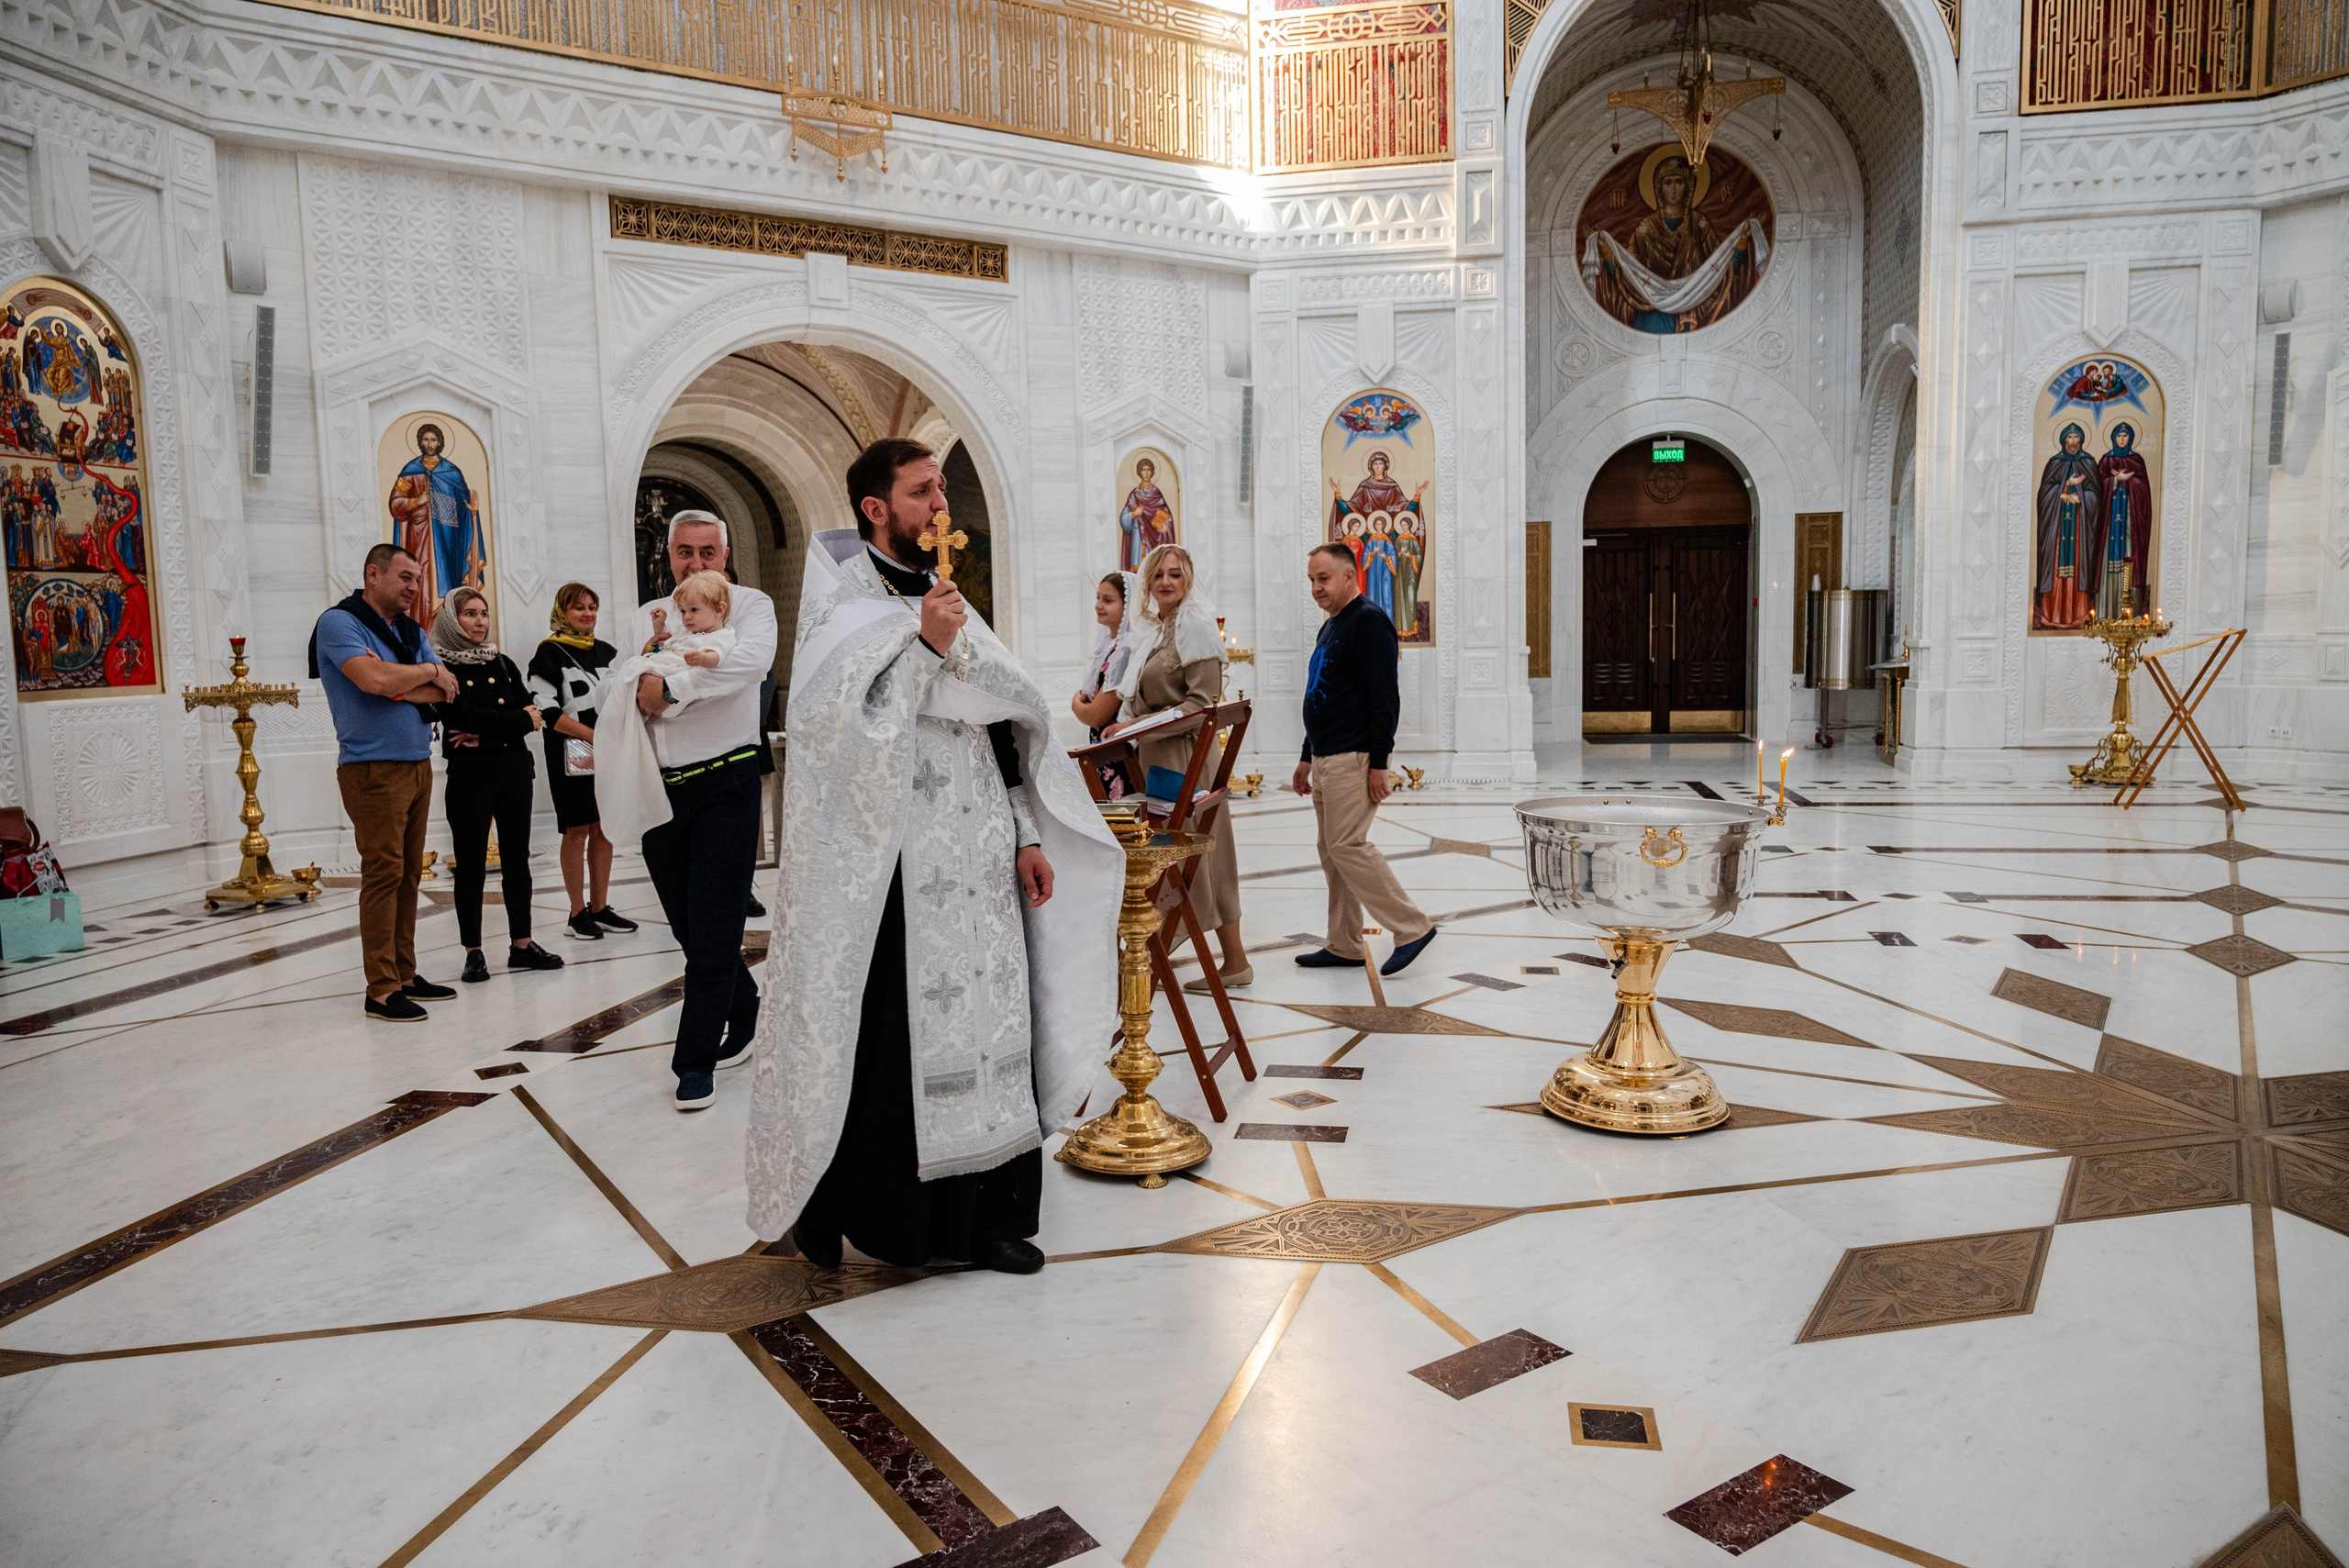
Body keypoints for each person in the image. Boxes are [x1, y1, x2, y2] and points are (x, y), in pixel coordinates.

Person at [747, 437, 1121, 1275]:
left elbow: (1004, 725)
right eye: (921, 493)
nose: (939, 506)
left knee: (996, 1022)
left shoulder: (952, 600)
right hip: (896, 867)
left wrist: (1026, 830)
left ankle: (985, 1220)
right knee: (892, 1040)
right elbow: (835, 740)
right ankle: (878, 1216)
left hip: (980, 852)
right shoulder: (843, 614)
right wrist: (919, 647)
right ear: (876, 509)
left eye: (942, 489)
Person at [621, 511, 775, 1110]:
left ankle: (693, 1062)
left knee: (713, 930)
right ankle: (748, 1009)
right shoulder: (652, 614)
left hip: (725, 784)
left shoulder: (750, 605)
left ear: (725, 552)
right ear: (670, 555)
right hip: (663, 787)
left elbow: (745, 668)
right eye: (685, 551)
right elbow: (628, 675)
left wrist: (671, 690)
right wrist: (645, 684)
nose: (697, 562)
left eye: (707, 550)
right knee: (690, 927)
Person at [308, 542, 460, 1022]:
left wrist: (414, 680)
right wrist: (424, 673)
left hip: (417, 762)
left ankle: (405, 973)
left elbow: (443, 689)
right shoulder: (340, 622)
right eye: (405, 578)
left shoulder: (410, 629)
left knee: (410, 873)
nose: (414, 588)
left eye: (417, 579)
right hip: (372, 768)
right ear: (373, 574)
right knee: (383, 875)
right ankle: (381, 989)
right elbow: (371, 679)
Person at [1100, 543, 1248, 991]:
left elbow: (1202, 705)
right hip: (1162, 755)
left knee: (1194, 856)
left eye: (1176, 575)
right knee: (1185, 857)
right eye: (1158, 575)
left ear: (1188, 581)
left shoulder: (1196, 625)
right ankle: (1227, 961)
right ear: (1147, 583)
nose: (1166, 582)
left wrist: (1134, 727)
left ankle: (1167, 961)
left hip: (1187, 758)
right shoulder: (1162, 628)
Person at [1291, 542, 1435, 976]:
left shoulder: (1369, 622)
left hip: (1352, 756)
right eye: (1312, 580)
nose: (1316, 587)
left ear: (1350, 576)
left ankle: (1412, 927)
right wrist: (1305, 757)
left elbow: (1384, 697)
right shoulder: (1332, 625)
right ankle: (1344, 943)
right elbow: (1321, 693)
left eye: (1324, 578)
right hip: (1325, 756)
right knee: (1332, 851)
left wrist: (1379, 762)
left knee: (1346, 845)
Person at [429, 586, 564, 984]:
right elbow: (459, 721)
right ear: (453, 621)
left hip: (513, 772)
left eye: (484, 613)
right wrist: (511, 724)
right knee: (470, 866)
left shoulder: (503, 662)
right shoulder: (442, 668)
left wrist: (486, 733)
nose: (480, 621)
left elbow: (534, 715)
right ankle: (474, 951)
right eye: (470, 614)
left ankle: (522, 944)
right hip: (471, 778)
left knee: (517, 862)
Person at [527, 583, 637, 942]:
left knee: (603, 826)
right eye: (578, 608)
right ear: (563, 612)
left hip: (607, 751)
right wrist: (592, 736)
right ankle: (577, 913)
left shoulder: (607, 651)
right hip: (570, 754)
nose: (587, 614)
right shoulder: (548, 654)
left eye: (592, 607)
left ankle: (600, 907)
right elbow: (547, 710)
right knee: (577, 830)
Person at [596, 572, 739, 848]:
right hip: (661, 671)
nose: (686, 617)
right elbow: (666, 641)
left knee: (632, 684)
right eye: (683, 611)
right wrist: (659, 625)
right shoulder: (689, 632)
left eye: (694, 610)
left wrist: (703, 658)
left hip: (672, 692)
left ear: (719, 610)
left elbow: (716, 657)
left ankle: (612, 744)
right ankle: (613, 741)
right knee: (628, 681)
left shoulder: (722, 635)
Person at [1071, 570, 1139, 796]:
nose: (1098, 605)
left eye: (1108, 600)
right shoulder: (1111, 646)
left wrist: (1076, 704)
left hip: (1119, 752)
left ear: (1128, 606)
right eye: (1098, 598)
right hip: (1107, 750)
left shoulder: (1126, 649)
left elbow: (1097, 714)